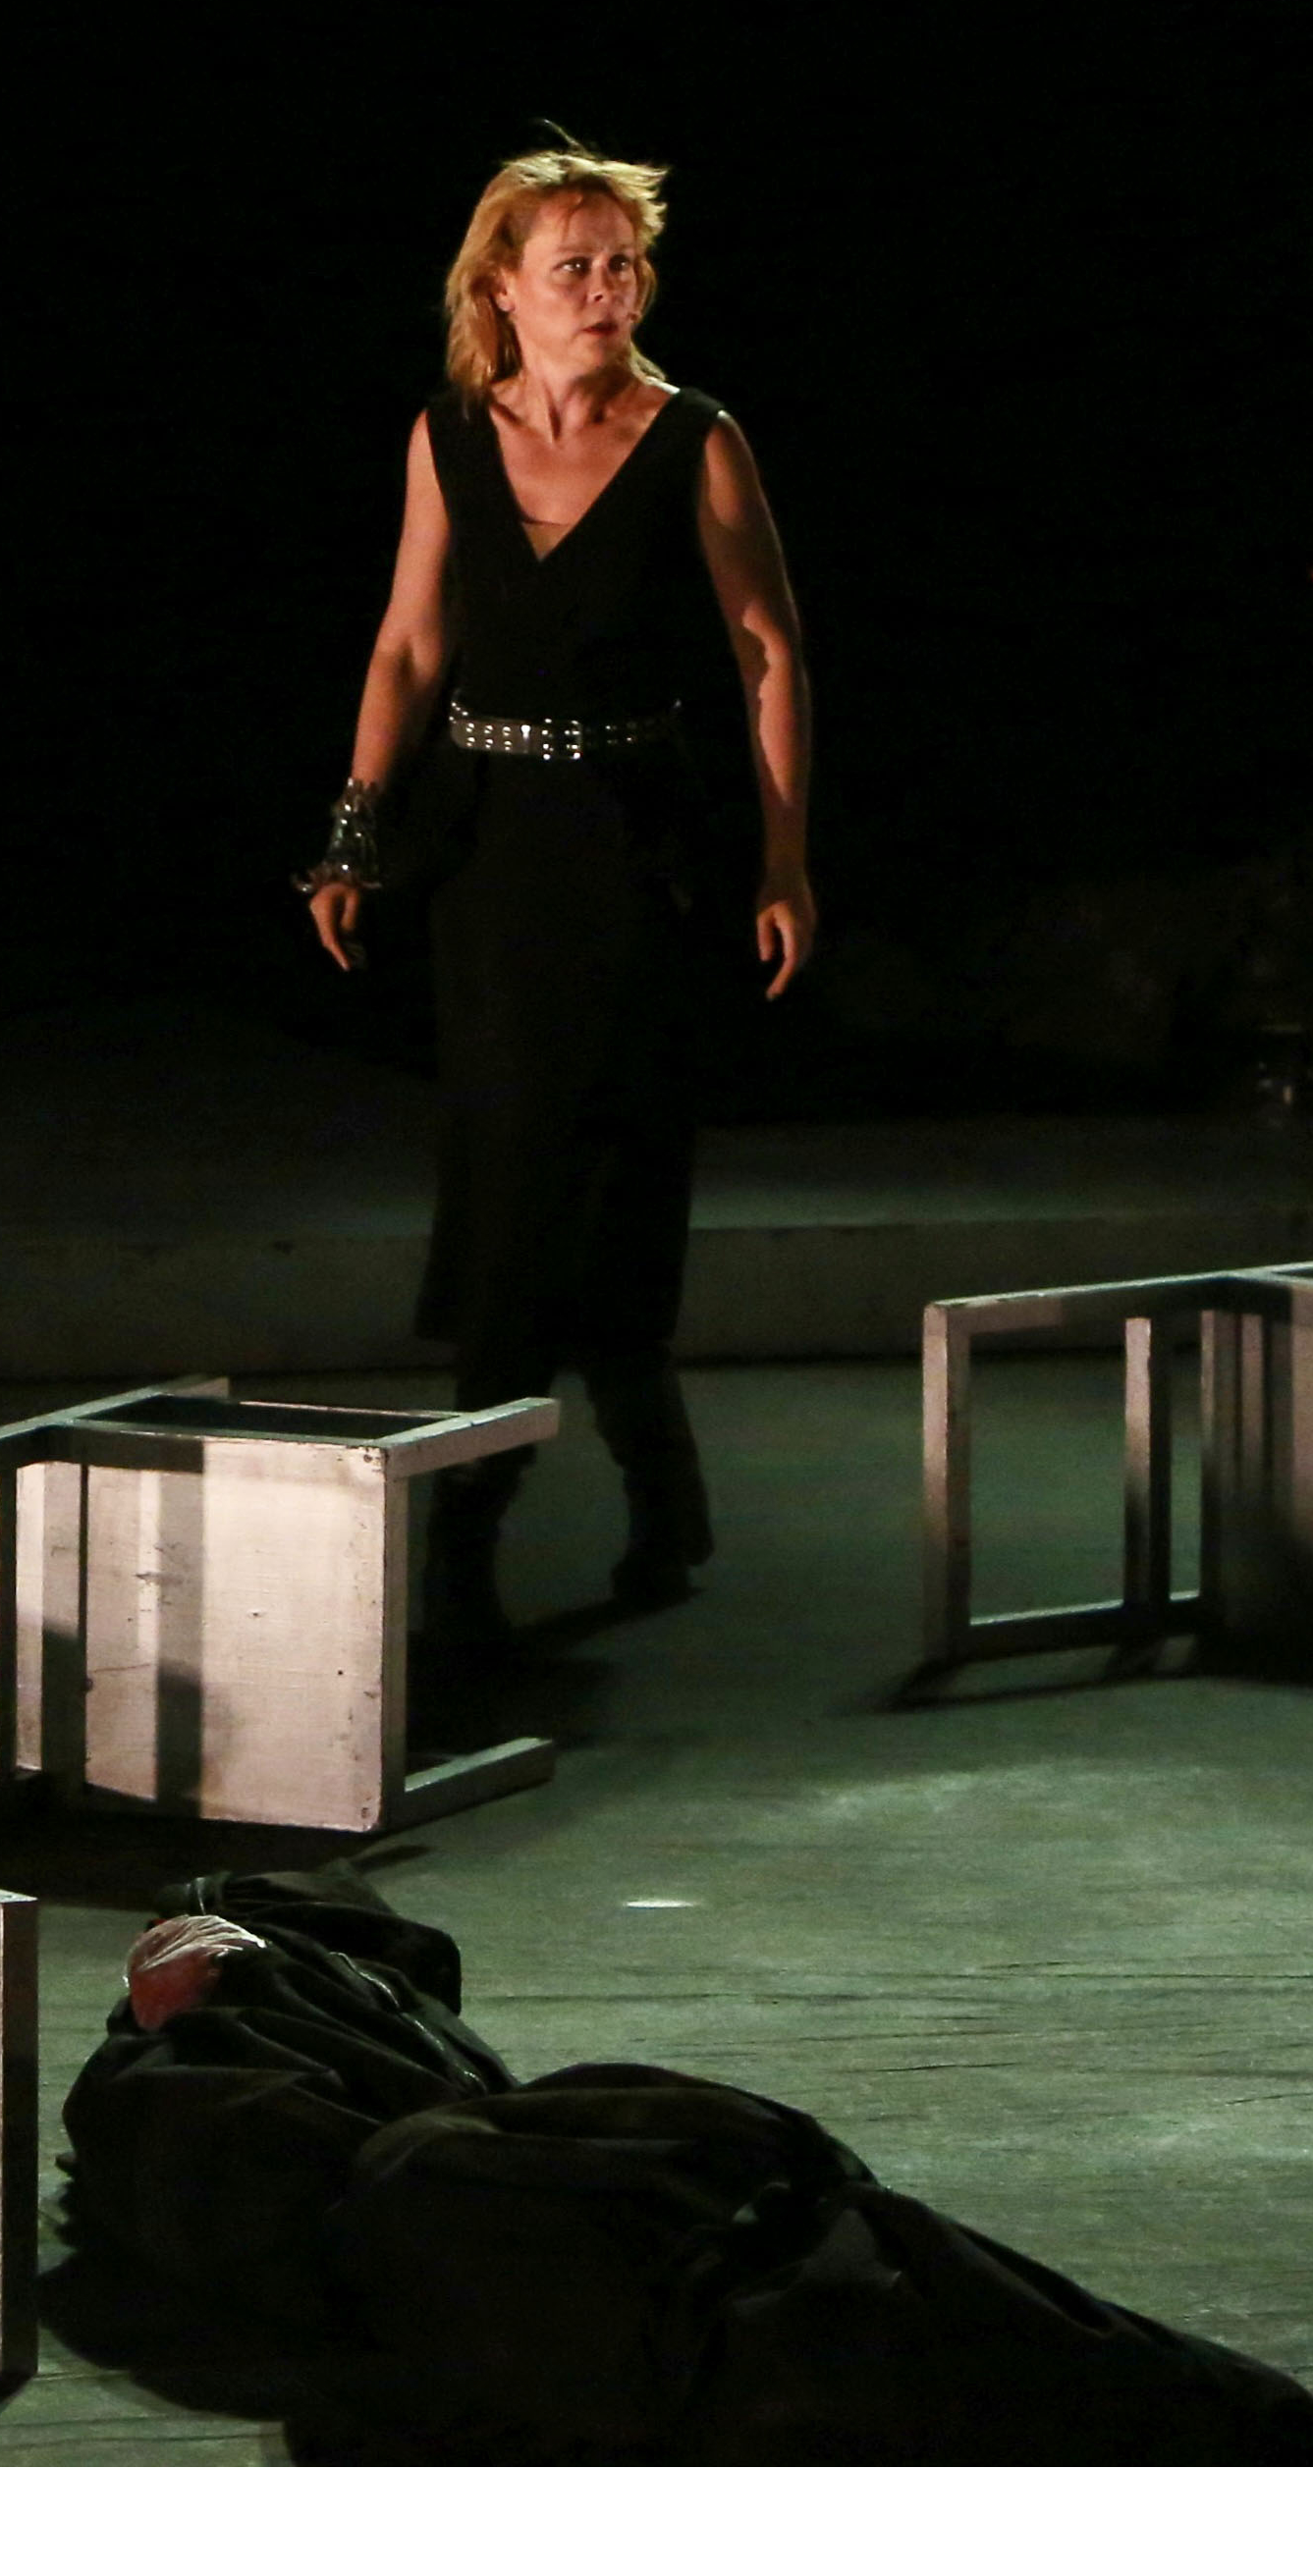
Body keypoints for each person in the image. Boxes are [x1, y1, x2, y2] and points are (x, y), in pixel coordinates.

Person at [299, 145, 814, 1641]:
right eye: (572, 266)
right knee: (512, 1168)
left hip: (637, 849)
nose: (604, 290)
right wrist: (351, 833)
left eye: (620, 264)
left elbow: (768, 653)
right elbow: (408, 642)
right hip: (492, 858)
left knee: (617, 1168)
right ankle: (494, 1520)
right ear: (500, 290)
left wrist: (782, 858)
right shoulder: (449, 434)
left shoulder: (692, 437)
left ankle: (631, 1489)